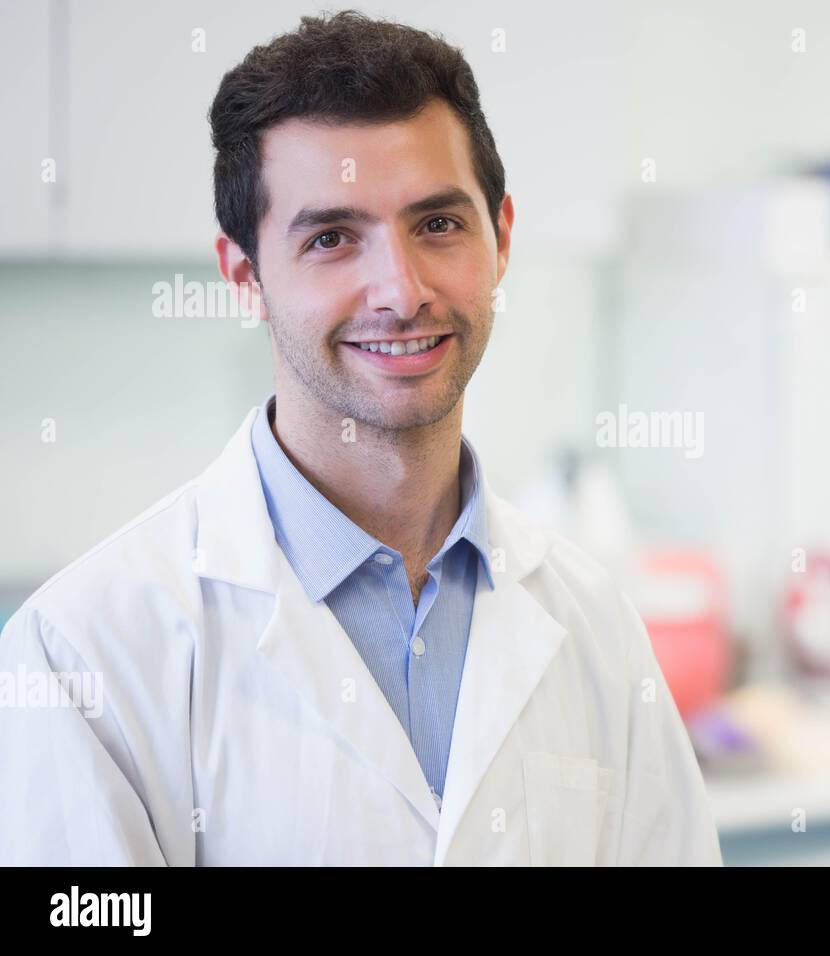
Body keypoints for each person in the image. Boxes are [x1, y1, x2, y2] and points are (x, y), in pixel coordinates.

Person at [0, 10, 721, 866]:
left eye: (439, 225)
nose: (400, 290)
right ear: (246, 276)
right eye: (333, 238)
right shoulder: (84, 651)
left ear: (502, 238)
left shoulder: (595, 622)